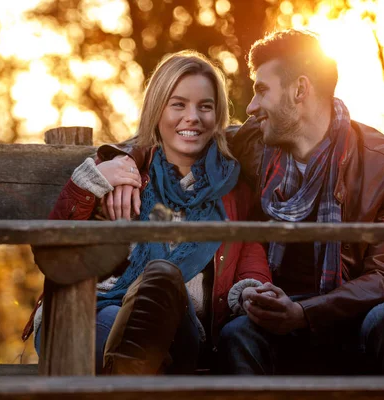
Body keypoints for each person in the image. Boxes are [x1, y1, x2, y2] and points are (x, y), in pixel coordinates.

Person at [97, 30, 384, 375]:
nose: (250, 107)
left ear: (300, 90)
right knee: (238, 333)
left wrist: (306, 312)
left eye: (261, 90)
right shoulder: (256, 143)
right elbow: (178, 137)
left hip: (355, 320)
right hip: (277, 318)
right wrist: (121, 160)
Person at [22, 50, 271, 375]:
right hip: (88, 312)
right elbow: (54, 252)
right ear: (157, 109)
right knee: (119, 327)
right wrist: (87, 185)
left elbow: (248, 252)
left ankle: (131, 375)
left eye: (205, 106)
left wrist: (251, 290)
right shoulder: (114, 171)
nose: (192, 117)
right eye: (178, 104)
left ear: (218, 114)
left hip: (182, 328)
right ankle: (135, 375)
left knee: (163, 283)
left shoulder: (232, 188)